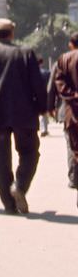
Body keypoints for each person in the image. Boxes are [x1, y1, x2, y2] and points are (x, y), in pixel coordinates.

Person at [0, 17, 47, 214]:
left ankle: (9, 205)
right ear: (12, 33)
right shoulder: (26, 53)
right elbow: (38, 85)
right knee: (30, 152)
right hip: (24, 115)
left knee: (0, 160)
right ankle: (20, 186)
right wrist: (43, 107)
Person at [52, 31, 78, 206]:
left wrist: (73, 95)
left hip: (74, 114)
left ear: (71, 44)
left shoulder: (64, 59)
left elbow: (59, 84)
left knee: (75, 151)